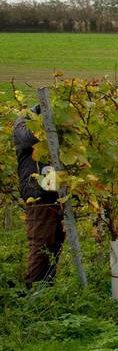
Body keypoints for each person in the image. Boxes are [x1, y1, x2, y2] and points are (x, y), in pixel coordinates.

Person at [12, 104, 64, 289]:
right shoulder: (22, 125)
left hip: (52, 190)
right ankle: (32, 289)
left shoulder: (46, 130)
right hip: (36, 193)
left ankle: (46, 287)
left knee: (55, 241)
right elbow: (28, 138)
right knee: (41, 242)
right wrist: (41, 118)